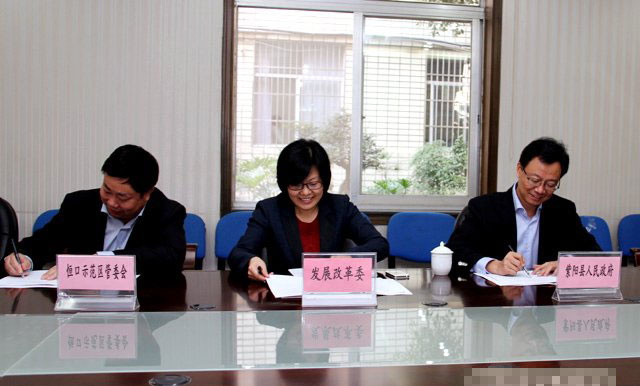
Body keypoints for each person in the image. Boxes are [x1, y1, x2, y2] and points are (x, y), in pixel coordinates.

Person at [3, 145, 186, 280]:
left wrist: (102, 261)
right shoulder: (79, 204)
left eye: (122, 197)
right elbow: (44, 242)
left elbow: (170, 256)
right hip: (80, 303)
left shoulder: (167, 211)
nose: (111, 202)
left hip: (143, 304)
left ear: (146, 194)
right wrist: (24, 257)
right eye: (106, 190)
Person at [228, 139, 389, 281]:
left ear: (324, 181)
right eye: (296, 185)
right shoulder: (269, 210)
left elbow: (379, 244)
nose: (305, 192)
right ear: (284, 183)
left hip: (330, 294)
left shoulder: (340, 207)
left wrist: (350, 257)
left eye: (313, 184)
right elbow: (240, 252)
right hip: (283, 299)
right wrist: (251, 260)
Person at [447, 137, 600, 277]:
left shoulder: (563, 210)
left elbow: (595, 254)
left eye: (550, 184)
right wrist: (493, 265)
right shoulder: (484, 207)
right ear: (519, 170)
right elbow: (454, 251)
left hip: (544, 295)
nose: (540, 190)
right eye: (534, 180)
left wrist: (566, 264)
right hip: (494, 295)